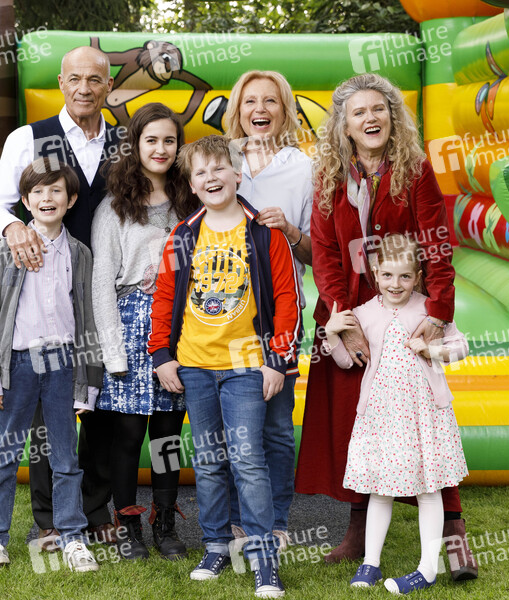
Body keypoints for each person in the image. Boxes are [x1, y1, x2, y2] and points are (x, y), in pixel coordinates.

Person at [295, 72, 478, 579]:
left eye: (379, 109)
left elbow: (436, 245)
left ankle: (453, 533)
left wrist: (437, 313)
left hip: (405, 309)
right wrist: (343, 318)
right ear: (344, 125)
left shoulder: (414, 170)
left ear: (392, 117)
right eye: (359, 112)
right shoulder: (329, 175)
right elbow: (325, 252)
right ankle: (360, 530)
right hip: (352, 314)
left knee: (424, 420)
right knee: (355, 420)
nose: (370, 118)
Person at [149, 135, 301, 599]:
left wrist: (277, 361)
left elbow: (287, 299)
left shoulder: (264, 233)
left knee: (248, 458)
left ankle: (262, 556)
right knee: (209, 461)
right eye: (201, 172)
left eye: (220, 168)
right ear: (192, 184)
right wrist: (162, 355)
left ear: (238, 174)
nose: (211, 177)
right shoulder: (183, 235)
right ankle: (215, 545)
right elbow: (164, 297)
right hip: (195, 366)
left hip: (247, 367)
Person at [0, 45, 121, 548]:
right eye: (75, 79)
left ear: (109, 87)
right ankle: (47, 519)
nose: (84, 88)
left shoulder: (124, 142)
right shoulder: (27, 137)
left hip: (107, 288)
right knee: (47, 414)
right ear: (61, 83)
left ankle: (95, 509)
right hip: (44, 283)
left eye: (95, 79)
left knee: (101, 400)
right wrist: (13, 230)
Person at [0, 159, 103, 572]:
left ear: (71, 200)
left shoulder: (80, 254)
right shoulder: (8, 250)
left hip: (63, 364)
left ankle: (72, 537)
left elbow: (87, 317)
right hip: (19, 364)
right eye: (38, 192)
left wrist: (88, 381)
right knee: (6, 454)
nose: (47, 198)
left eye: (56, 190)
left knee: (65, 457)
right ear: (26, 201)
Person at [324, 234, 468, 594]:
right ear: (375, 274)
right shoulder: (363, 314)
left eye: (405, 276)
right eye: (387, 275)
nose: (395, 284)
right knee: (380, 490)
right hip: (381, 415)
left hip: (423, 415)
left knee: (429, 489)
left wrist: (431, 351)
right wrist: (331, 333)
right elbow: (345, 361)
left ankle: (427, 568)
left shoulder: (430, 311)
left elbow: (461, 348)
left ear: (417, 277)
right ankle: (370, 563)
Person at [91, 103, 198, 561]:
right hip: (131, 326)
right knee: (129, 435)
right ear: (135, 145)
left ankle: (166, 525)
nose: (161, 148)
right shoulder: (114, 207)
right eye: (151, 139)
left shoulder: (193, 200)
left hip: (179, 327)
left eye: (169, 140)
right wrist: (113, 354)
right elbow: (101, 284)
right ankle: (128, 526)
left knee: (168, 436)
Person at [222, 70, 311, 547]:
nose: (260, 109)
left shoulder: (305, 168)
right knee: (233, 427)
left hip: (280, 314)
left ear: (284, 110)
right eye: (250, 101)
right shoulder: (219, 160)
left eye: (270, 101)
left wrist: (291, 233)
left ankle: (276, 521)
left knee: (275, 426)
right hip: (221, 316)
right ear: (237, 110)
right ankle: (236, 519)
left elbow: (321, 252)